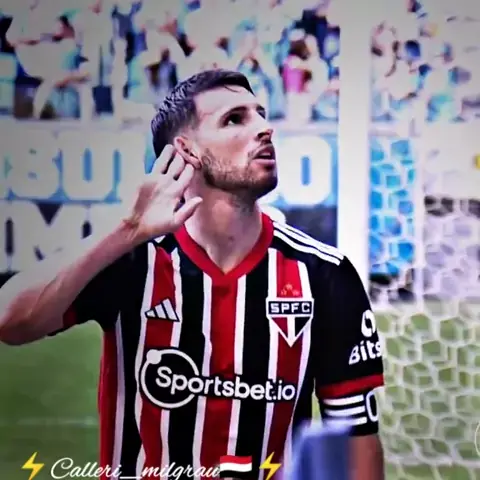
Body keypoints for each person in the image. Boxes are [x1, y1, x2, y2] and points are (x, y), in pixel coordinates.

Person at [0, 69, 385, 480]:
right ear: (187, 151)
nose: (265, 127)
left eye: (260, 113)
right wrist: (126, 229)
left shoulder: (324, 275)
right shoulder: (133, 259)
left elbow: (357, 442)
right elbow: (12, 321)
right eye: (234, 119)